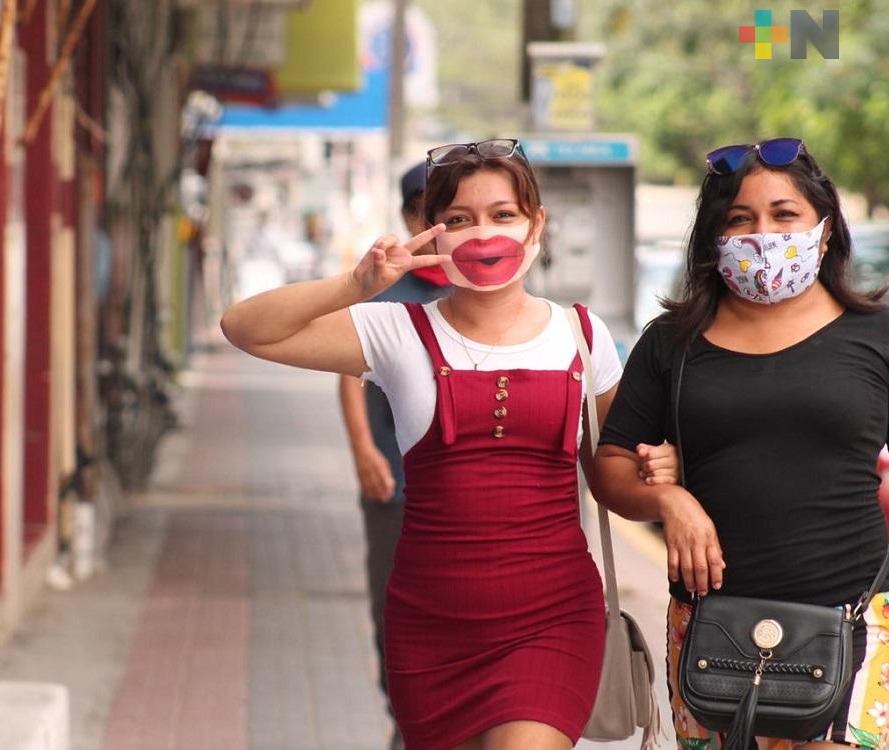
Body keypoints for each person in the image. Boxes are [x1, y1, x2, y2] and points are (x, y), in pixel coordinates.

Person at [222, 138, 676, 750]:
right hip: (431, 630)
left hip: (552, 621)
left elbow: (615, 475)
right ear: (430, 234)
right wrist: (356, 284)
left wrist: (663, 484)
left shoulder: (581, 334)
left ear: (535, 223)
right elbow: (245, 328)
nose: (482, 234)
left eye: (502, 215)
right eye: (458, 220)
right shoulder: (396, 331)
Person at [591, 137, 889, 749]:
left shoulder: (876, 334)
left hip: (857, 622)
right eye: (740, 218)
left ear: (824, 229)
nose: (764, 233)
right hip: (710, 630)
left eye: (785, 215)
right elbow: (610, 465)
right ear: (715, 237)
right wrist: (670, 502)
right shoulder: (672, 342)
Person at [338, 163, 450, 750]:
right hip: (396, 485)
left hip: (460, 495)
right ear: (412, 219)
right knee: (394, 614)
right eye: (428, 212)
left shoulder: (481, 289)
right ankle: (404, 720)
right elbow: (349, 375)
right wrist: (363, 451)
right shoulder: (388, 291)